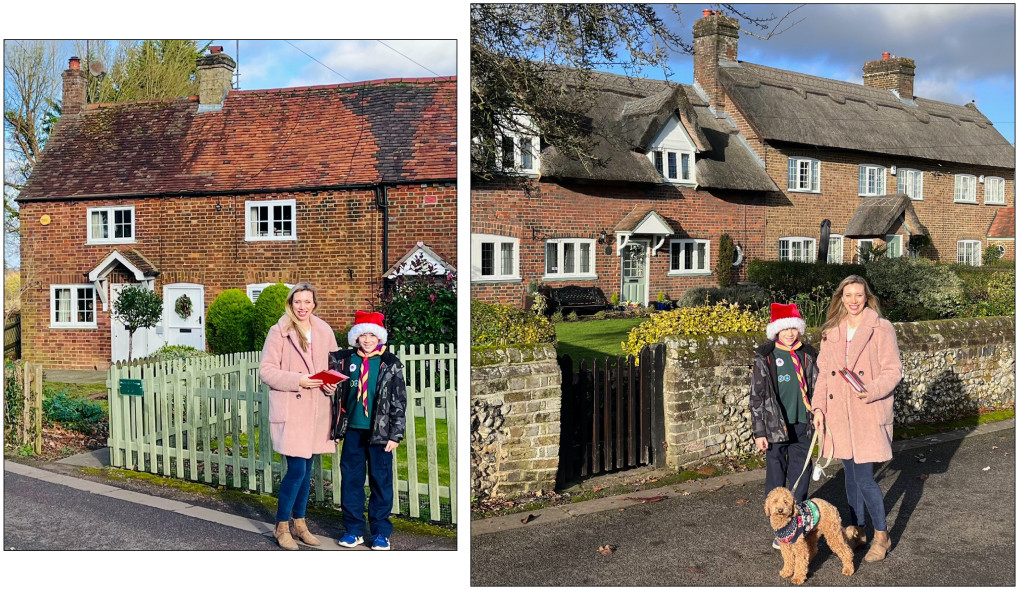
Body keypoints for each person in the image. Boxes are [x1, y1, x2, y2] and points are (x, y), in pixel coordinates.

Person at [812, 275, 902, 562]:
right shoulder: (831, 331)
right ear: (841, 298)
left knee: (864, 478)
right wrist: (818, 409)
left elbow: (893, 371)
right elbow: (823, 377)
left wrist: (872, 390)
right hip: (839, 414)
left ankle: (881, 535)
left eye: (858, 295)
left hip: (867, 411)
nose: (853, 301)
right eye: (848, 295)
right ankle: (858, 530)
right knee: (849, 477)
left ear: (867, 297)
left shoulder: (881, 328)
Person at [259, 282, 340, 550]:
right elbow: (267, 372)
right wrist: (299, 380)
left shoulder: (324, 330)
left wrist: (331, 383)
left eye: (307, 302)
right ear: (290, 303)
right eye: (298, 302)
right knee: (296, 469)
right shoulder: (279, 331)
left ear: (314, 304)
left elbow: (333, 367)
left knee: (307, 472)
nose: (302, 307)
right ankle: (282, 526)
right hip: (292, 410)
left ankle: (300, 523)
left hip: (317, 410)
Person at [329, 311, 407, 551]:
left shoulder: (389, 363)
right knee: (351, 481)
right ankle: (353, 530)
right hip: (353, 429)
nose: (367, 339)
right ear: (356, 337)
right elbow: (335, 393)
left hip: (380, 434)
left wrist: (396, 434)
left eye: (372, 335)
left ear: (379, 337)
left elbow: (399, 401)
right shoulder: (343, 360)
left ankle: (381, 531)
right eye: (363, 334)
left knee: (380, 482)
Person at [750, 302, 817, 550]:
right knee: (777, 477)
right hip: (774, 426)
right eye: (785, 328)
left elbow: (818, 388)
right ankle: (779, 529)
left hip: (803, 423)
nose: (790, 333)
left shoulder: (808, 354)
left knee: (801, 474)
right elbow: (756, 396)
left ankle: (795, 524)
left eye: (794, 328)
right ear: (776, 330)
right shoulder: (766, 357)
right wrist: (759, 431)